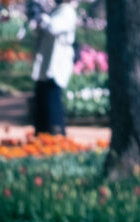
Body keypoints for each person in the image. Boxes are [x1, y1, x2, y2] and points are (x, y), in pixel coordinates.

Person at [30, 0, 79, 135]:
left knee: (53, 96)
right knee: (42, 95)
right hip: (47, 60)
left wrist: (43, 17)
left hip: (58, 61)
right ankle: (41, 131)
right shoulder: (56, 11)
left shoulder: (67, 11)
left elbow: (53, 28)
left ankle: (56, 131)